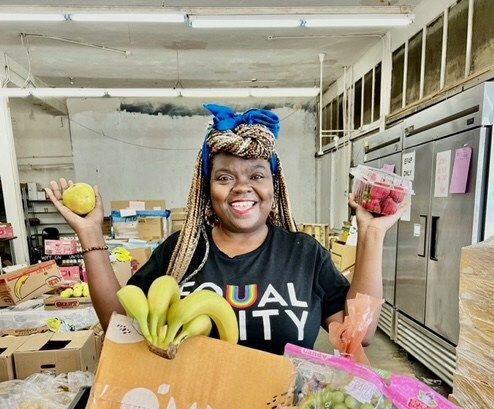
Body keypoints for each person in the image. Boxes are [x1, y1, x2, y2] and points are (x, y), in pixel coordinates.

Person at [45, 103, 400, 355]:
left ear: (273, 188)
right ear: (207, 189)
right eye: (225, 177)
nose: (242, 187)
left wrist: (371, 234)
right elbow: (118, 325)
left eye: (257, 175)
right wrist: (90, 233)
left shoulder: (304, 254)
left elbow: (359, 335)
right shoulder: (180, 254)